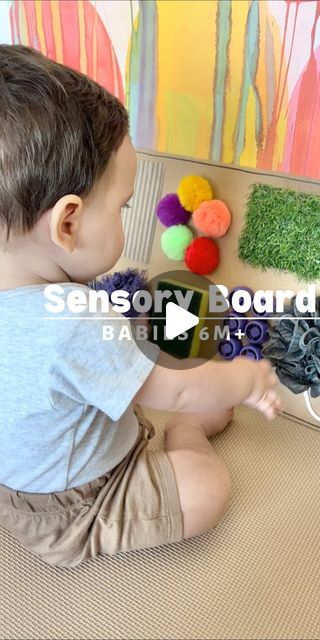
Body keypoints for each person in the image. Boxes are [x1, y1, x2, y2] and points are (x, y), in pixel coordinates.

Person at [0, 45, 283, 568]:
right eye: (123, 205)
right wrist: (246, 378)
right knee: (205, 487)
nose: (129, 218)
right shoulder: (72, 322)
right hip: (76, 508)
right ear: (68, 224)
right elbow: (176, 388)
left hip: (23, 477)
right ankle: (188, 439)